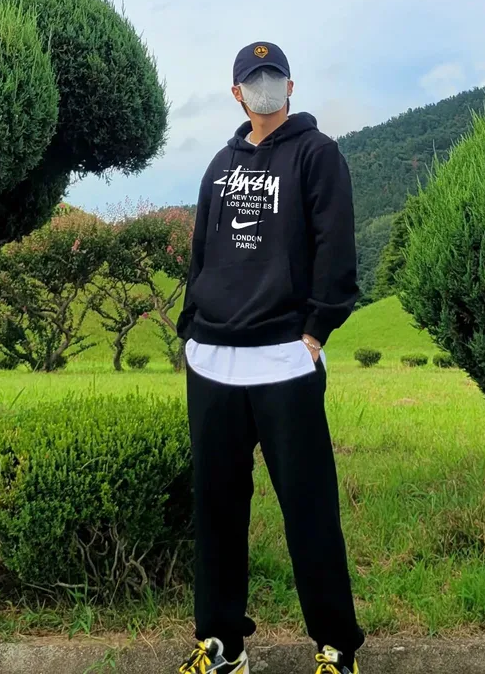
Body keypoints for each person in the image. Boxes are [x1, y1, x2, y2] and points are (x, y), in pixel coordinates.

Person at [176, 41, 365, 674]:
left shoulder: (317, 154)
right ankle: (222, 645)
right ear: (237, 93)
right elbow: (201, 250)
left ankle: (336, 646)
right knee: (217, 510)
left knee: (309, 507)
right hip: (213, 360)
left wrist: (317, 330)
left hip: (285, 356)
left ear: (290, 85)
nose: (265, 86)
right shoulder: (219, 165)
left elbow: (335, 245)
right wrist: (190, 330)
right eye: (254, 79)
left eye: (273, 76)